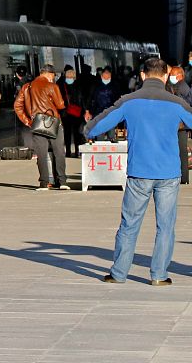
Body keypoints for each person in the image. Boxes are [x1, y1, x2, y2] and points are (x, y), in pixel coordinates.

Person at [86, 56, 192, 285]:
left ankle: (119, 273)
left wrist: (87, 129)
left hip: (139, 173)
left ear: (143, 75)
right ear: (165, 77)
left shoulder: (129, 101)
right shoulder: (176, 103)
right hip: (168, 174)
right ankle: (159, 276)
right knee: (165, 226)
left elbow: (100, 123)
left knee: (129, 224)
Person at [13, 63, 69, 191]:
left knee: (41, 153)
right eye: (53, 75)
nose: (53, 78)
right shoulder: (52, 86)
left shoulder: (27, 87)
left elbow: (17, 106)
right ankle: (62, 181)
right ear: (49, 74)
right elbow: (60, 105)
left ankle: (44, 183)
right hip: (53, 122)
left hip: (37, 123)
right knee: (58, 152)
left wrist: (28, 121)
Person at [164, 65, 190, 185]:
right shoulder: (178, 86)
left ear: (179, 75)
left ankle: (182, 176)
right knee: (180, 150)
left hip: (180, 124)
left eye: (172, 75)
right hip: (181, 124)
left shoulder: (182, 87)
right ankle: (183, 176)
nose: (171, 77)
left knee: (180, 150)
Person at [58, 65, 85, 157]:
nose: (69, 78)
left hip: (67, 112)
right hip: (75, 112)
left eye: (70, 77)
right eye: (68, 77)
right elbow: (81, 98)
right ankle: (76, 150)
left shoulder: (61, 84)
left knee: (68, 132)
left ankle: (69, 151)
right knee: (75, 132)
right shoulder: (78, 84)